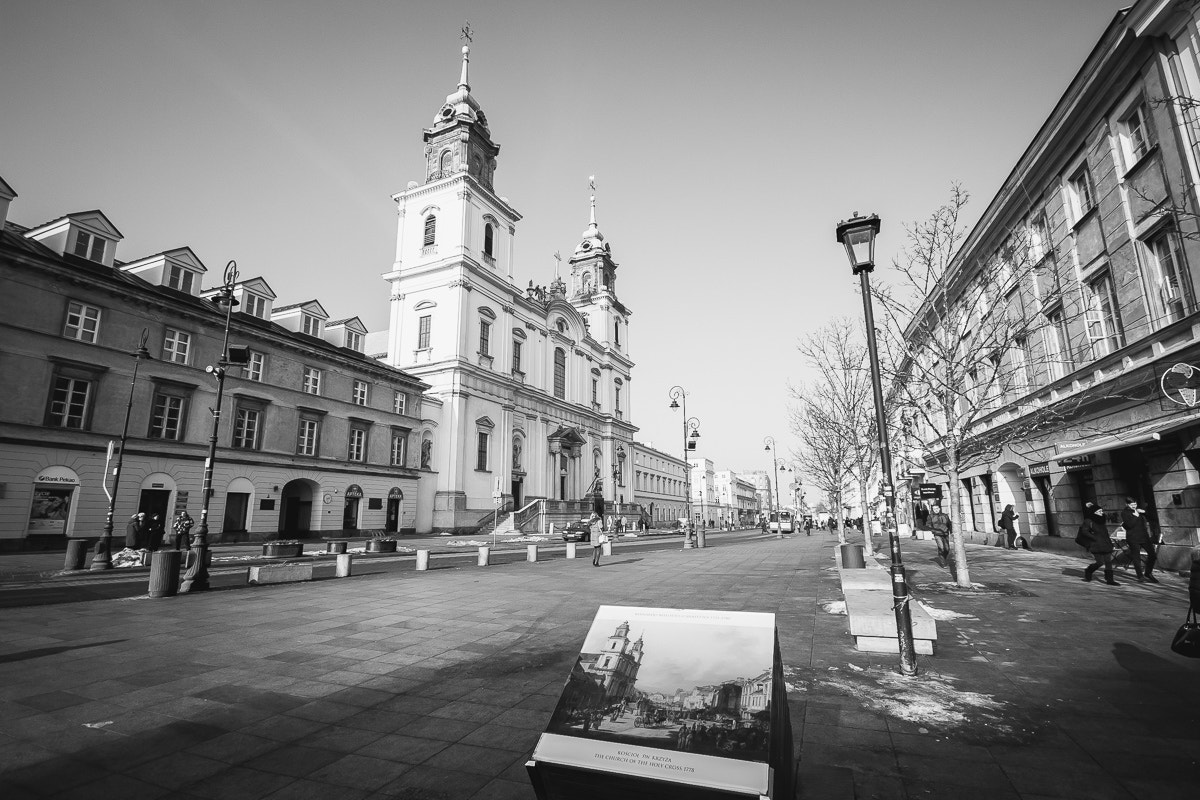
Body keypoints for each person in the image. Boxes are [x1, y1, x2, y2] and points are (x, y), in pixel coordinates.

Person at [1121, 497, 1159, 583]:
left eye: (1135, 504)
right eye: (1132, 504)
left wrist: (1144, 512)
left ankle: (1148, 573)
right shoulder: (1124, 513)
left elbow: (1153, 518)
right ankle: (1140, 576)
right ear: (1127, 504)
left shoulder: (1138, 511)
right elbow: (1130, 525)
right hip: (1133, 538)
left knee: (1152, 555)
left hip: (1144, 537)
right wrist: (1135, 516)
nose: (1134, 506)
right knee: (1136, 557)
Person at [1081, 502, 1119, 586]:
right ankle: (1089, 570)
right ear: (1094, 512)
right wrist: (1094, 537)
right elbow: (1084, 532)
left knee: (1108, 561)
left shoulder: (1102, 520)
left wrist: (1110, 542)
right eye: (1099, 511)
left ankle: (1110, 580)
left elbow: (1105, 533)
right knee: (1100, 562)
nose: (1101, 513)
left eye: (1101, 511)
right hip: (1095, 544)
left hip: (1105, 543)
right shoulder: (1088, 521)